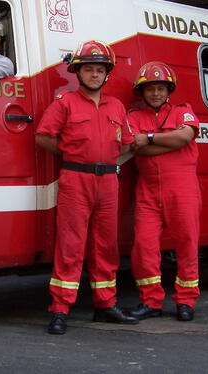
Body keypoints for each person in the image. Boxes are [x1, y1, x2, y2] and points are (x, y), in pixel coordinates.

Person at [36, 40, 138, 335]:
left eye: (100, 70)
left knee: (106, 246)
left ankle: (105, 305)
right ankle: (60, 308)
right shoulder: (64, 103)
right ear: (77, 73)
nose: (94, 75)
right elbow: (43, 137)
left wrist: (106, 160)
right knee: (70, 245)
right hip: (75, 179)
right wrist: (72, 152)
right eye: (89, 69)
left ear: (107, 74)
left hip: (108, 180)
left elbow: (127, 143)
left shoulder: (116, 106)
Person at [126, 61, 201, 322]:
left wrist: (147, 139)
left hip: (182, 188)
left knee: (187, 243)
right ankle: (150, 301)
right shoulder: (133, 117)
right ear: (142, 92)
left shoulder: (184, 111)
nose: (155, 93)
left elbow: (184, 137)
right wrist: (168, 141)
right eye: (150, 89)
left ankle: (186, 300)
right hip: (147, 190)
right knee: (143, 246)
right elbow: (135, 149)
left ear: (169, 90)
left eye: (160, 88)